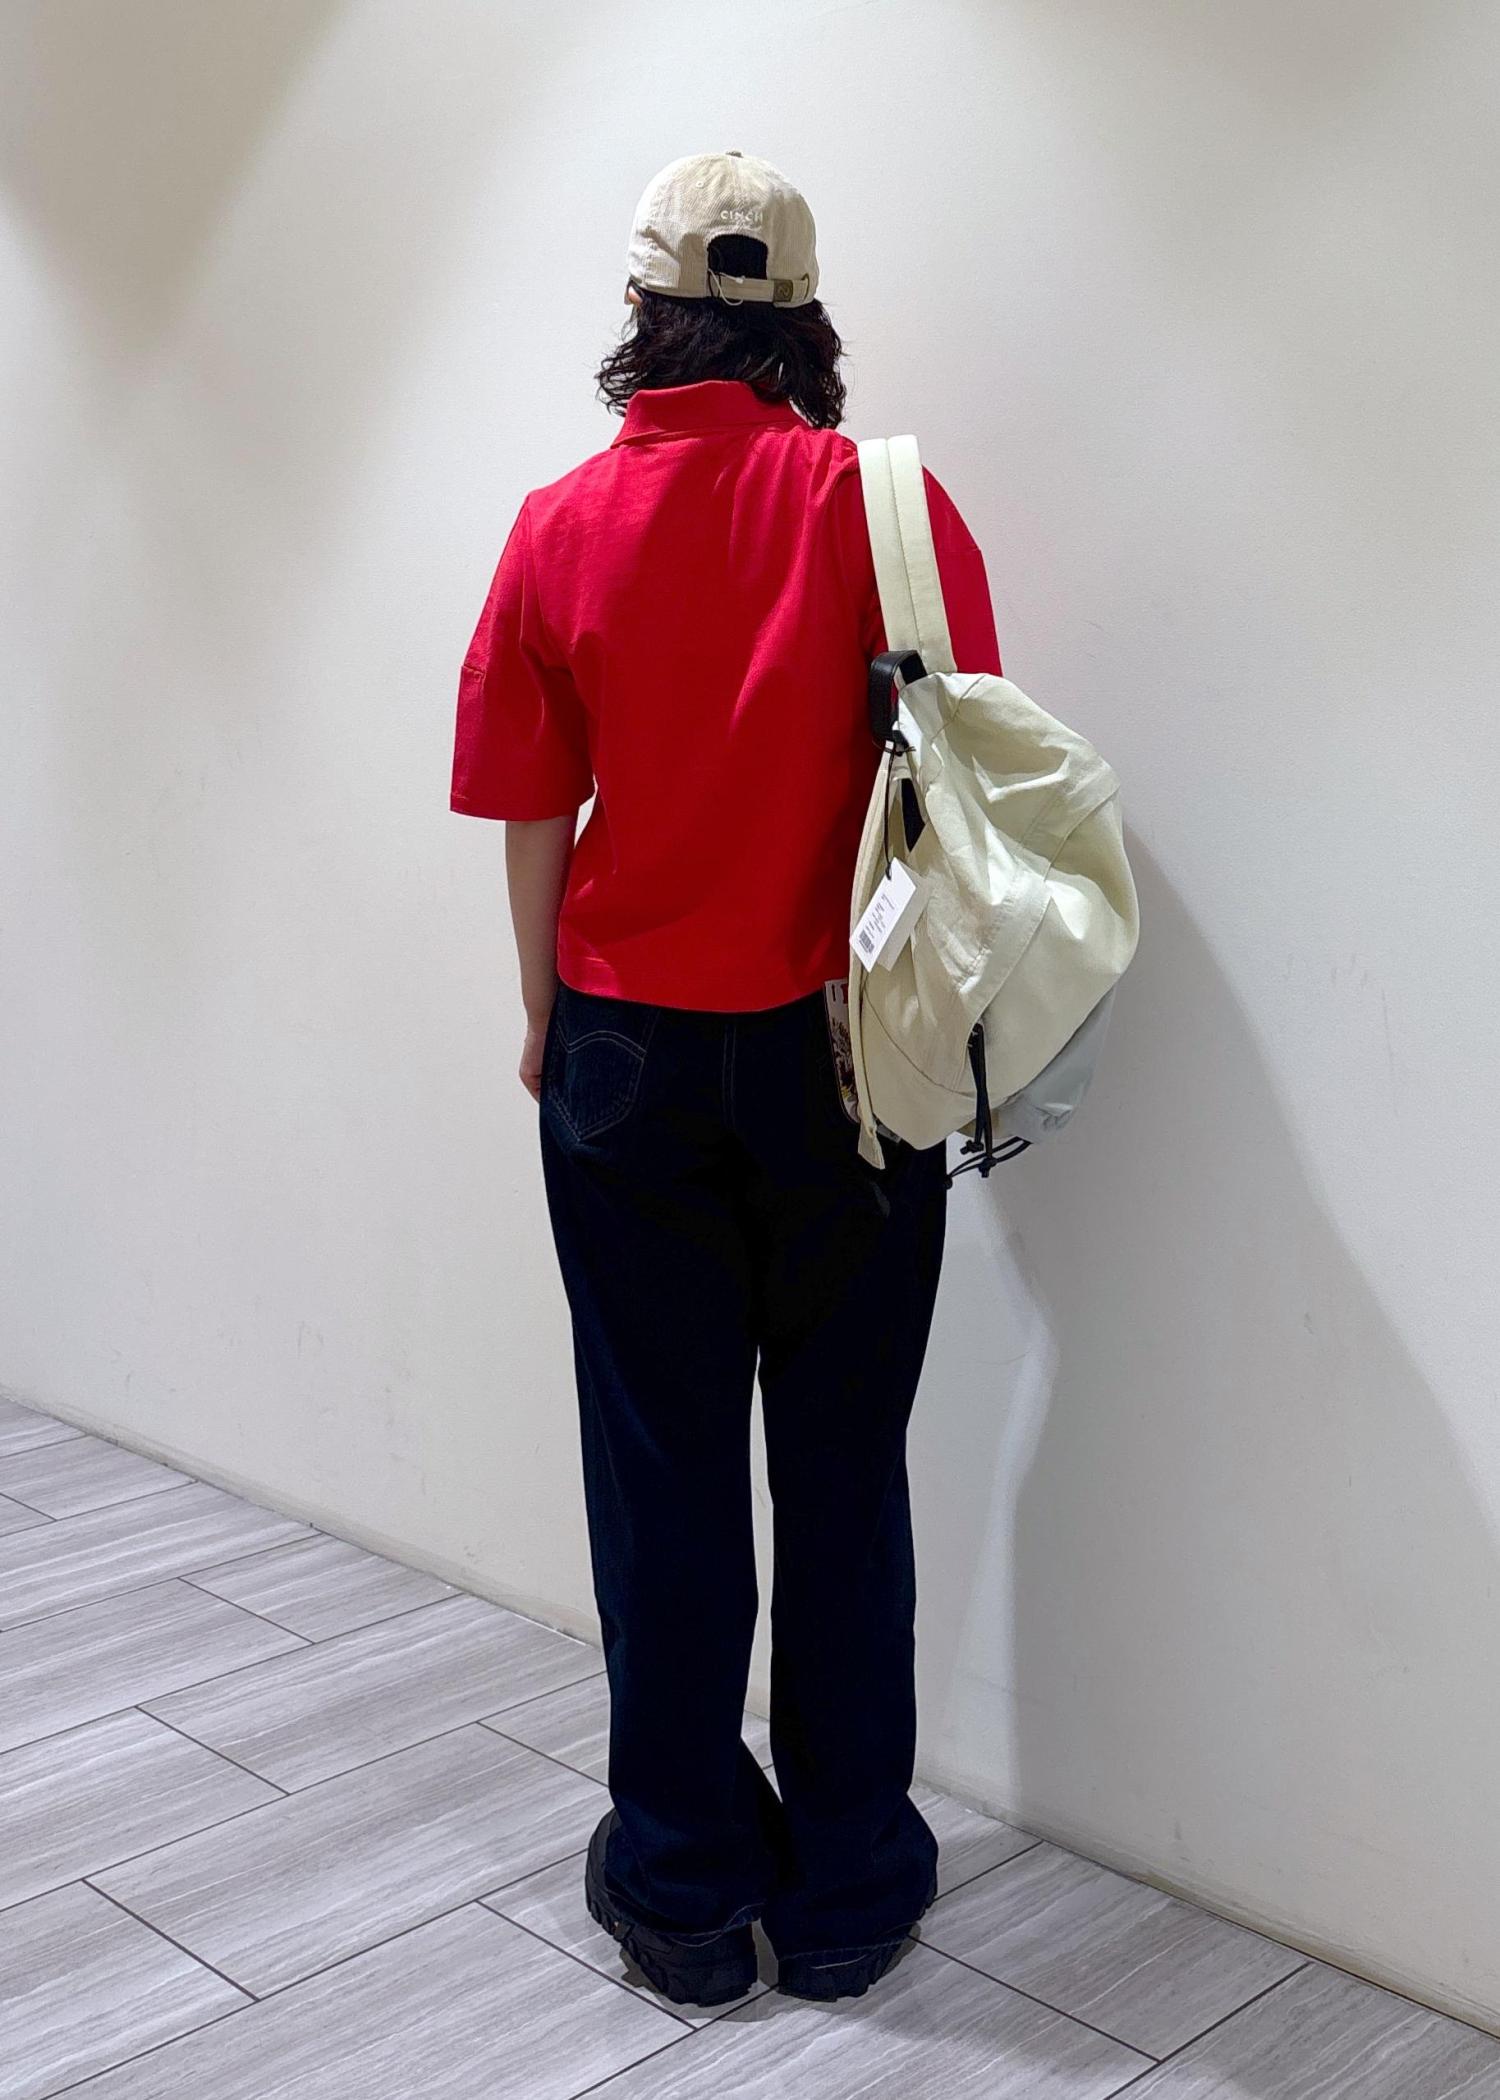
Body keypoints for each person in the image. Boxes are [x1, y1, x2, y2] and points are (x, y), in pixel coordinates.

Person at [450, 149, 1003, 2006]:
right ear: (806, 318)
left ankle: (684, 1887)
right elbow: (961, 785)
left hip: (625, 1041)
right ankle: (846, 1884)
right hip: (853, 1051)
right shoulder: (892, 510)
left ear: (641, 311)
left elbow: (532, 803)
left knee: (661, 1472)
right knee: (845, 1467)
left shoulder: (559, 525)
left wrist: (544, 1013)